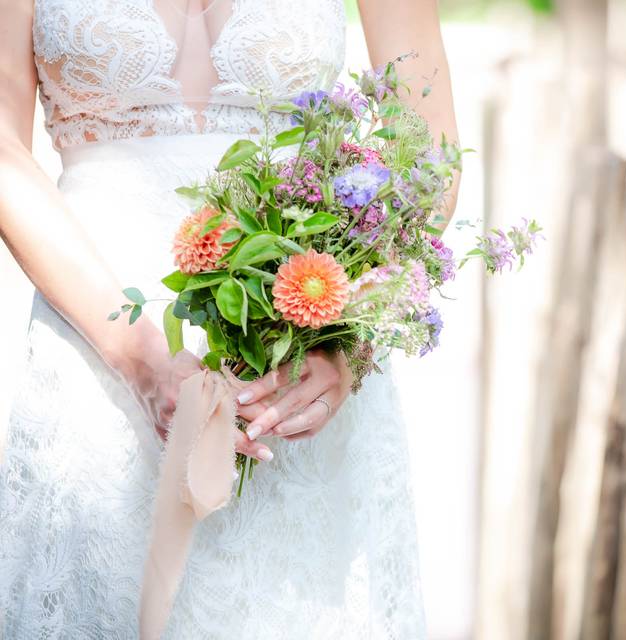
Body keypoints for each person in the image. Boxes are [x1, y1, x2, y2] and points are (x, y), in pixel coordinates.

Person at [0, 1, 458, 637]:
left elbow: (428, 152)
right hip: (94, 354)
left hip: (302, 362)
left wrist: (345, 342)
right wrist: (136, 356)